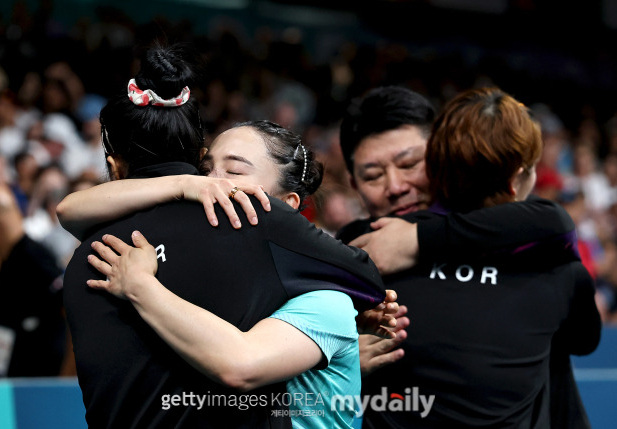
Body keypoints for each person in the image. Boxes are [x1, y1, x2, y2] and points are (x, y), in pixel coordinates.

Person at [61, 45, 390, 429]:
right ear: (196, 160)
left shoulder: (83, 260)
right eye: (208, 169)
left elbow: (245, 363)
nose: (216, 184)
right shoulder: (246, 234)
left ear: (287, 202)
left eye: (234, 172)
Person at [339, 87, 601, 428]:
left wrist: (418, 239)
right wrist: (333, 358)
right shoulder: (359, 251)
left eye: (410, 164)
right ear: (353, 183)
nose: (396, 185)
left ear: (442, 156)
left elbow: (553, 223)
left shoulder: (537, 238)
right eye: (373, 175)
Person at [0, 183, 65, 377]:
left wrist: (65, 381)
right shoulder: (7, 264)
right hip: (5, 392)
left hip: (39, 394)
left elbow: (70, 313)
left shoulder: (35, 260)